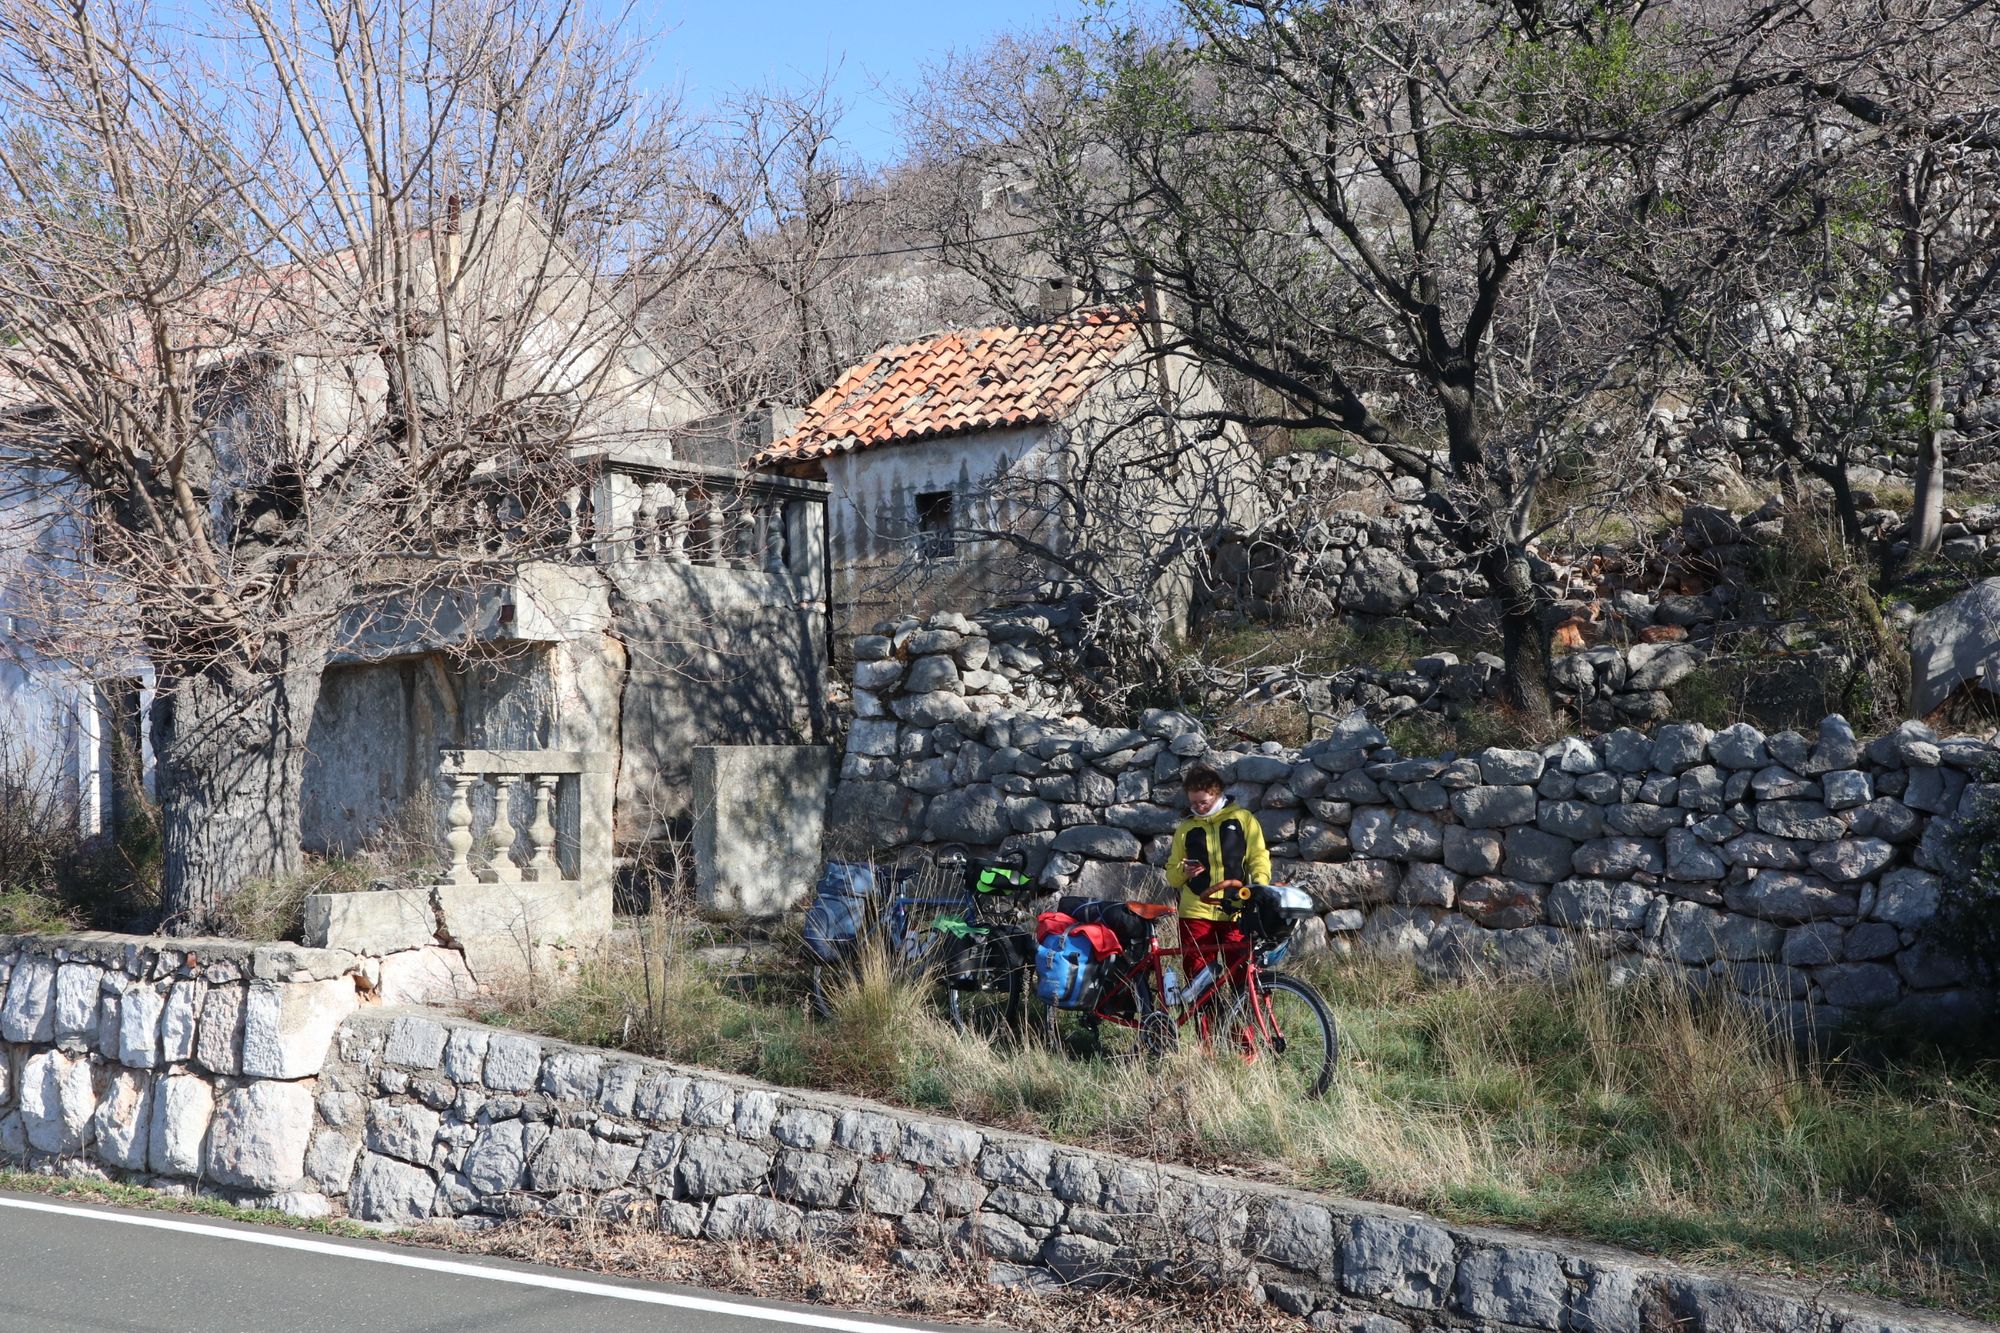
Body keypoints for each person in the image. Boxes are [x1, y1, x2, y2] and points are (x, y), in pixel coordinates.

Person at [1163, 764, 1270, 989]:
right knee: (1200, 984)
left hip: (1236, 911)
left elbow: (1258, 857)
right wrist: (1184, 871)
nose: (1198, 808)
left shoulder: (1243, 818)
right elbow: (1172, 877)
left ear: (1218, 794)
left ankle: (1243, 1026)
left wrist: (1260, 887)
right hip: (1195, 914)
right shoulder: (1185, 828)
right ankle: (1210, 1026)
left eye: (1204, 802)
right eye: (1193, 803)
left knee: (1243, 979)